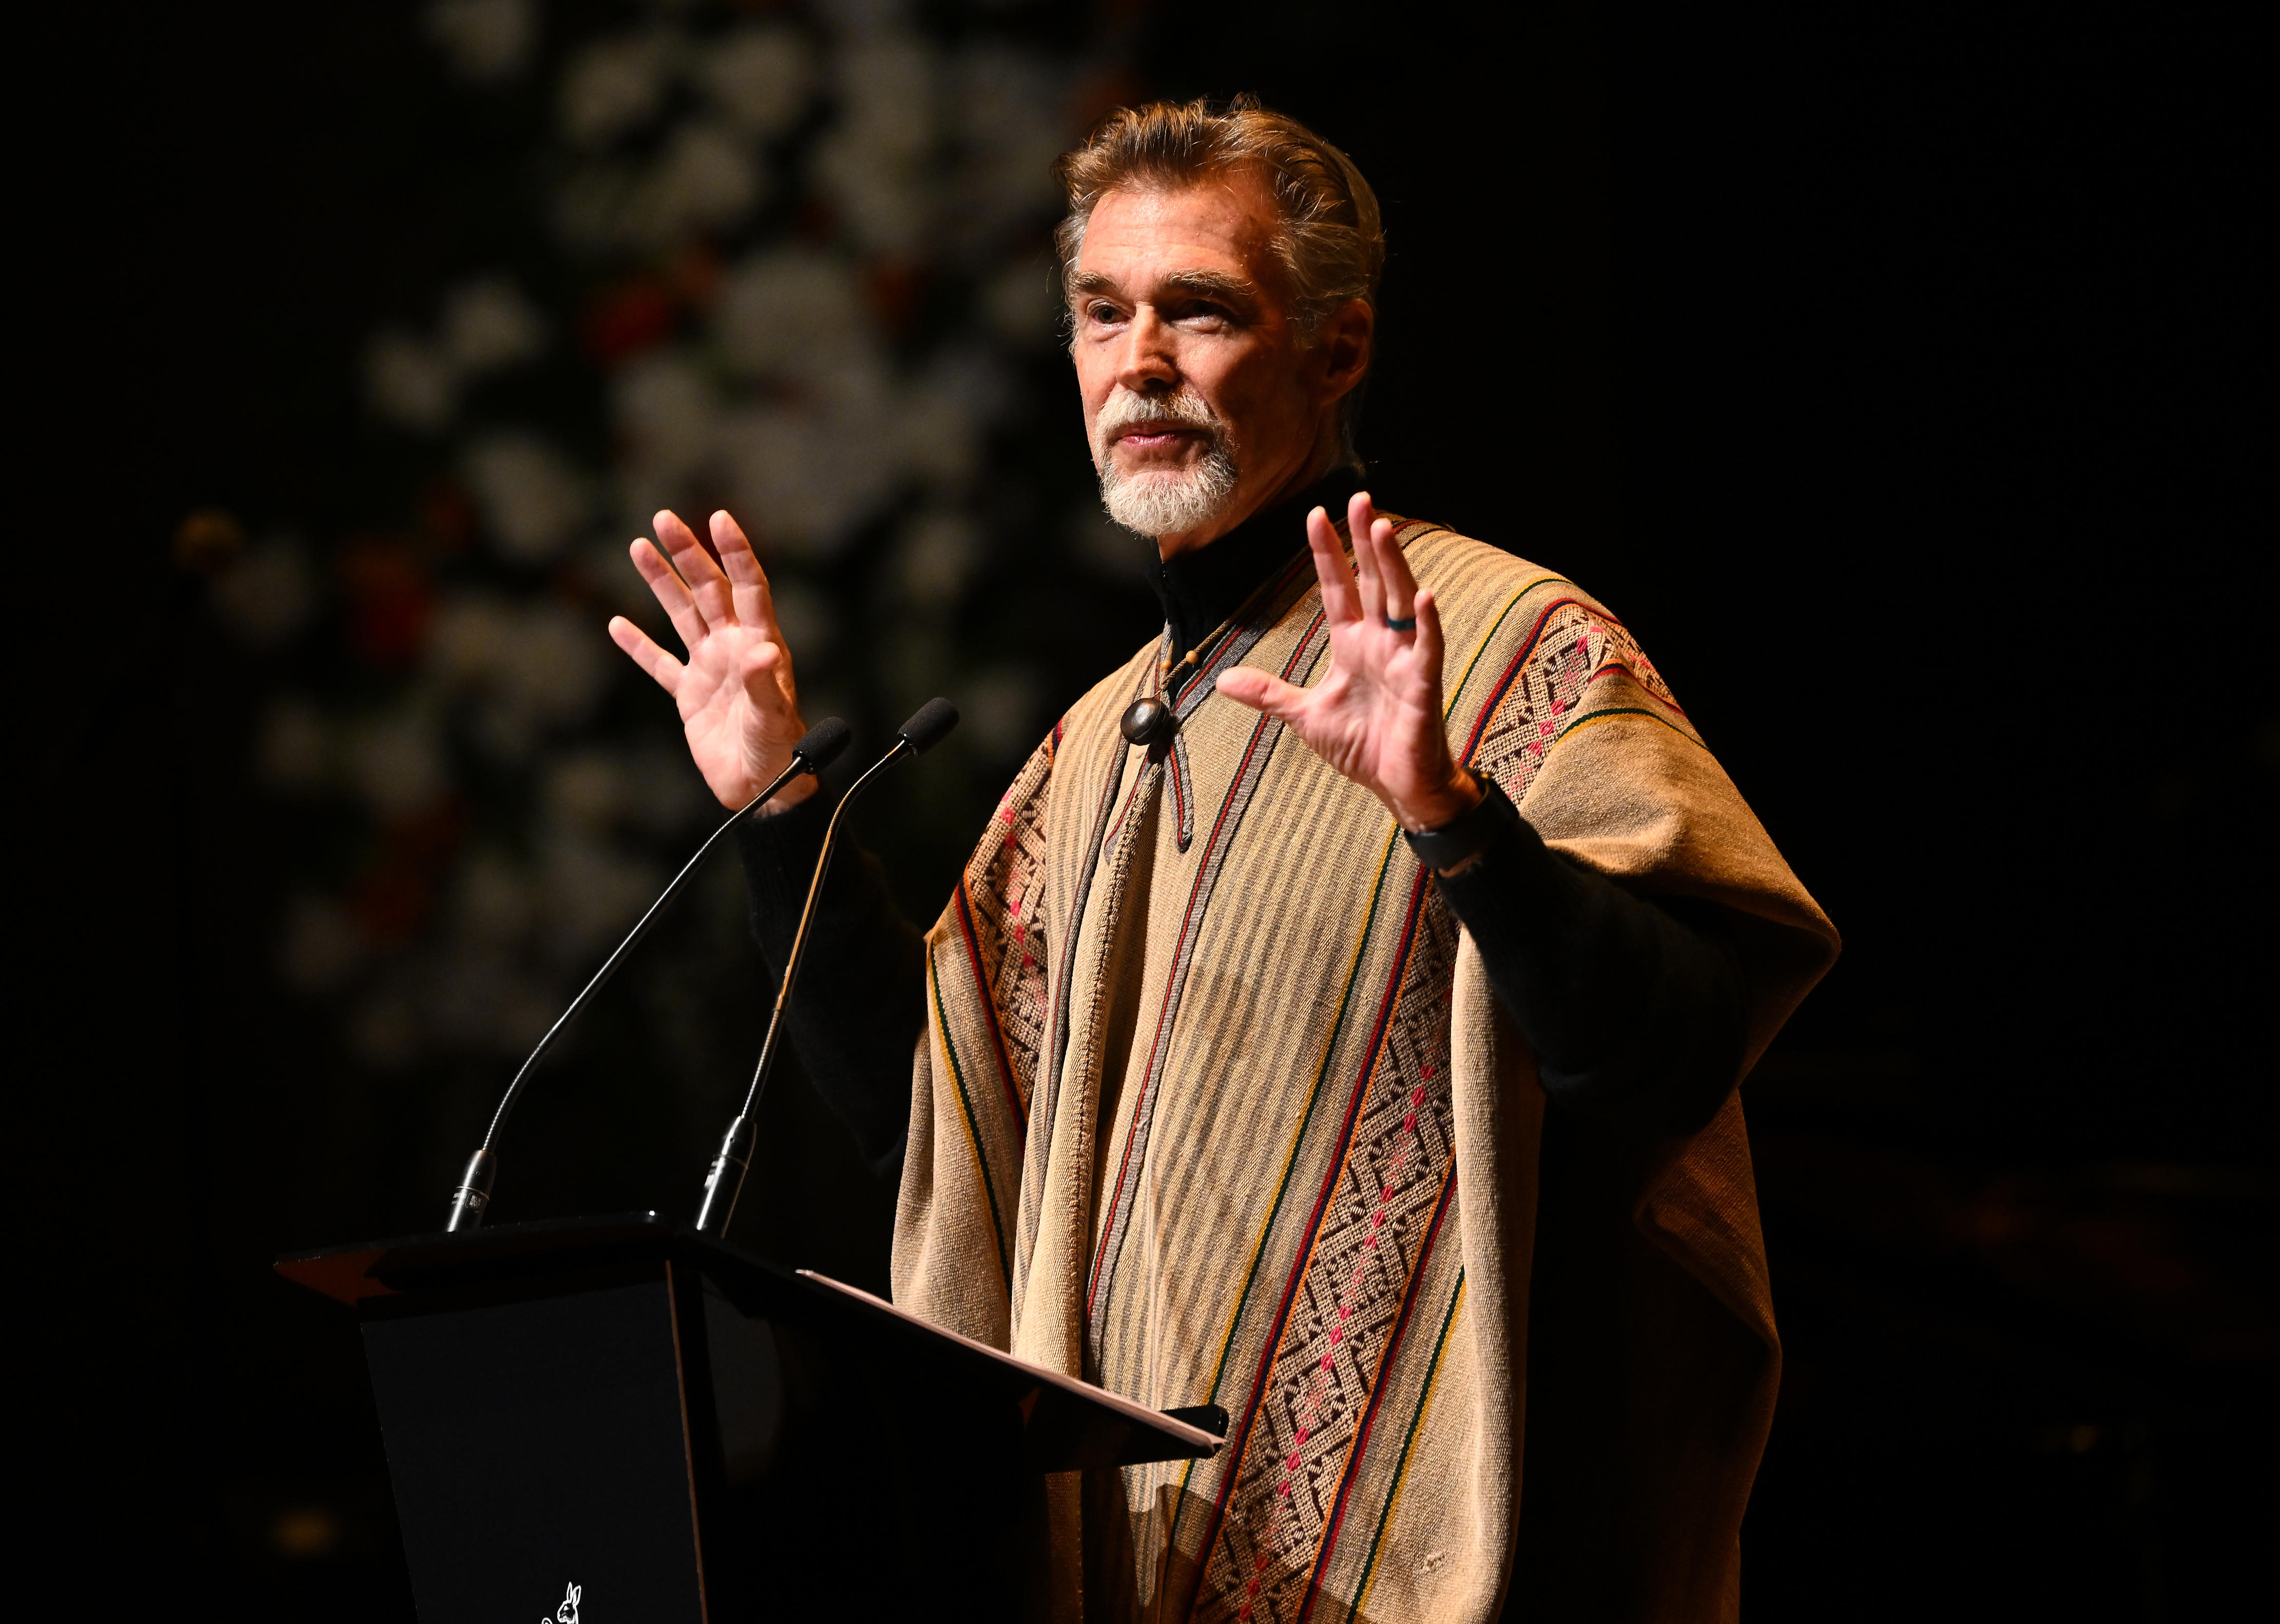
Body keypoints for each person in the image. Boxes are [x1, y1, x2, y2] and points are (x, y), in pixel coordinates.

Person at [608, 96, 1836, 1624]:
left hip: (1431, 1575)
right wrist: (779, 812)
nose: (1140, 362)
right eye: (1103, 313)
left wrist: (1453, 812)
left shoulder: (1505, 642)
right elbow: (933, 1133)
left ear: (1337, 350)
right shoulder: (1093, 746)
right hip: (1128, 1568)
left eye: (1200, 310)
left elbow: (1674, 1057)